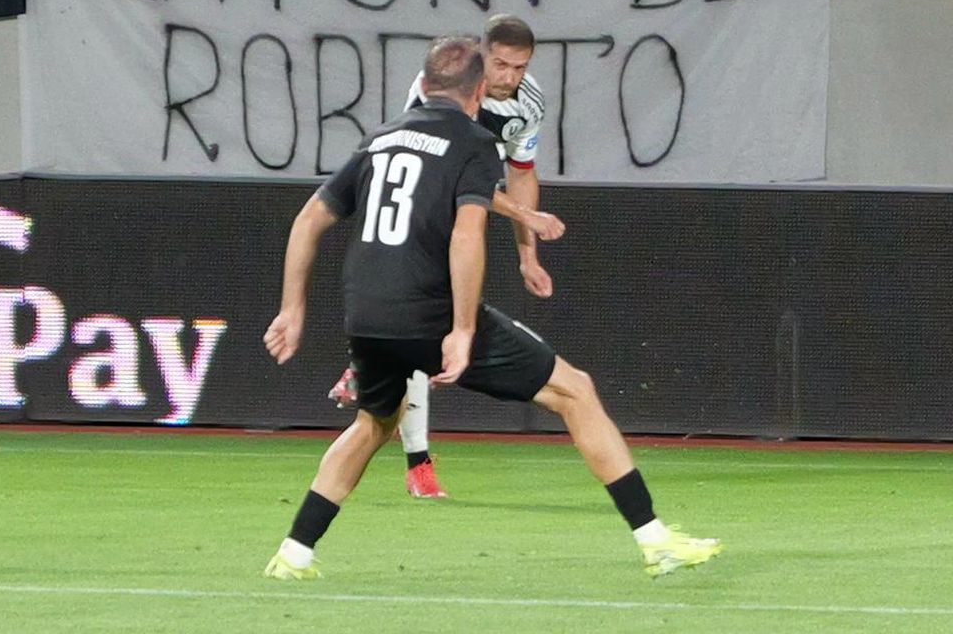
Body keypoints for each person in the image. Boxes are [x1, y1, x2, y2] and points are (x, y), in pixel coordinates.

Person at [263, 36, 722, 580]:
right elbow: (466, 235)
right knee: (576, 391)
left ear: (425, 84)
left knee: (374, 424)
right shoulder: (475, 143)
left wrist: (292, 310)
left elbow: (308, 220)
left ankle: (293, 554)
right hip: (428, 313)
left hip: (364, 314)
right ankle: (655, 540)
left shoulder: (379, 139)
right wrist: (460, 329)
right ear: (478, 91)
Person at [327, 14, 565, 500]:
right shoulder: (437, 91)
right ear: (482, 57)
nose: (509, 77)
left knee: (430, 337)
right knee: (421, 324)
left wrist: (528, 255)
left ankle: (410, 448)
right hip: (420, 209)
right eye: (500, 64)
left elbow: (520, 172)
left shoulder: (529, 103)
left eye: (520, 67)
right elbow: (452, 170)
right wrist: (524, 214)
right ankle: (410, 444)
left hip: (468, 208)